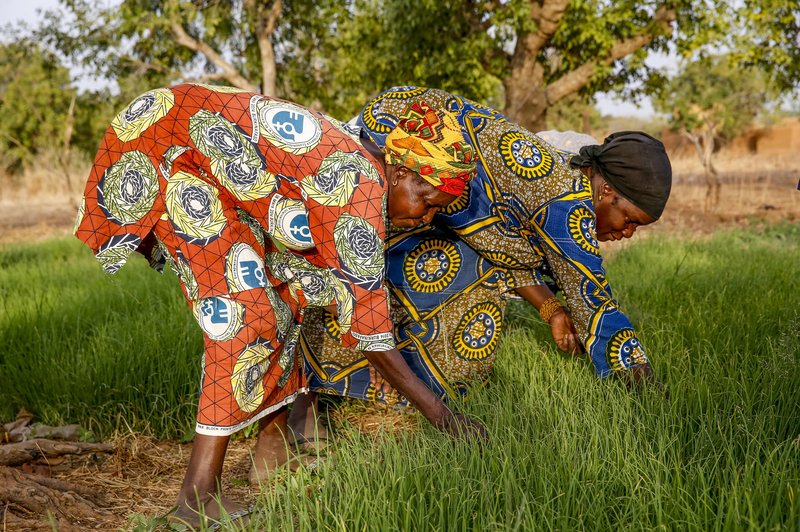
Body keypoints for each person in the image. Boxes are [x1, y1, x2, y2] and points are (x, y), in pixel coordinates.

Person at [73, 83, 485, 527]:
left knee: (286, 298)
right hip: (168, 150)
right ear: (402, 173)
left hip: (200, 156)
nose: (423, 218)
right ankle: (195, 499)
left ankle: (273, 457)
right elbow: (371, 330)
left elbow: (330, 283)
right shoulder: (361, 190)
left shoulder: (363, 169)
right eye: (426, 202)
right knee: (242, 318)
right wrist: (442, 417)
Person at [292, 87, 672, 440]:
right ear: (607, 192)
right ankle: (306, 397)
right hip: (400, 142)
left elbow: (501, 245)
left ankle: (340, 385)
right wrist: (649, 389)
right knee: (350, 267)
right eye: (631, 220)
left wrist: (552, 309)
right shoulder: (569, 207)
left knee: (449, 273)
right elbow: (596, 305)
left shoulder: (563, 175)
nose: (627, 233)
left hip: (404, 134)